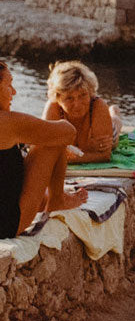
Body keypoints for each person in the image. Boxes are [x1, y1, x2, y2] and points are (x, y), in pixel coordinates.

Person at [0, 60, 88, 239]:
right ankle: (58, 199)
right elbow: (68, 132)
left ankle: (50, 198)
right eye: (9, 85)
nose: (15, 92)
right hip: (6, 224)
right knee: (54, 138)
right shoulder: (6, 122)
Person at [43, 61, 120, 164]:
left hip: (107, 126)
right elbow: (47, 153)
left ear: (90, 92)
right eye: (69, 98)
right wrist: (89, 149)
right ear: (58, 98)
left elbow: (105, 156)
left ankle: (114, 114)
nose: (77, 104)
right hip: (87, 142)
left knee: (115, 126)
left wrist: (67, 155)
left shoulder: (98, 105)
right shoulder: (52, 108)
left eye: (83, 95)